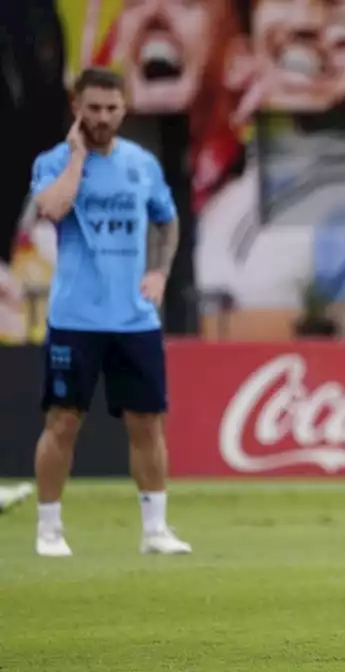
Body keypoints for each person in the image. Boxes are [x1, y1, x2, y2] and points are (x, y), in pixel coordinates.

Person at [28, 67, 190, 557]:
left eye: (110, 108)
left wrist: (159, 272)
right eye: (92, 108)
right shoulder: (53, 161)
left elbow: (166, 220)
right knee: (63, 422)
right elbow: (53, 209)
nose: (101, 118)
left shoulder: (142, 163)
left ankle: (155, 530)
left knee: (147, 424)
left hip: (135, 319)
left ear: (124, 108)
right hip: (75, 318)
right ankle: (49, 529)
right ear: (77, 106)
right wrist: (77, 156)